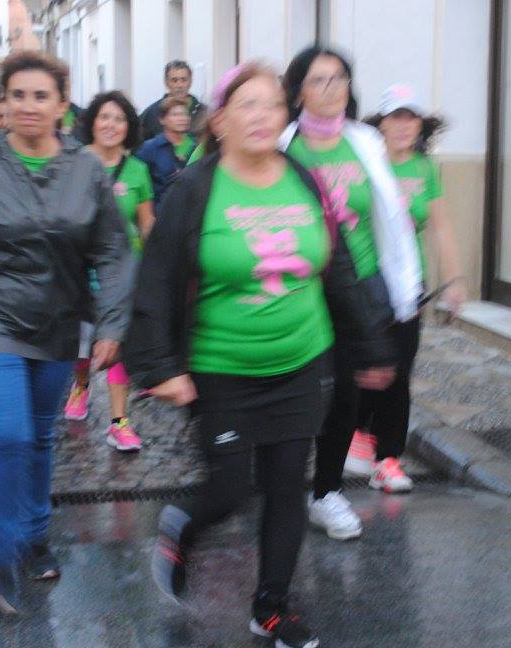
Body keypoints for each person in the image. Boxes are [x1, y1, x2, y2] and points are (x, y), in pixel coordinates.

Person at [126, 61, 395, 648]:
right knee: (229, 489)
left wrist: (371, 341)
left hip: (302, 360)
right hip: (222, 366)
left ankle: (271, 608)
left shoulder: (303, 179)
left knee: (285, 486)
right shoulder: (195, 189)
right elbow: (158, 277)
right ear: (220, 120)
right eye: (246, 104)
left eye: (272, 104)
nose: (262, 116)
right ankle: (182, 524)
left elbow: (337, 265)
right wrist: (160, 366)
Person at [0, 50, 133, 616]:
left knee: (38, 435)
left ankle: (35, 535)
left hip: (58, 320)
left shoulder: (87, 170)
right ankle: (4, 553)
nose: (29, 106)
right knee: (10, 433)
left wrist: (112, 322)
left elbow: (113, 251)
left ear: (62, 105)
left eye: (41, 96)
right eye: (18, 95)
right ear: (1, 104)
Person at [280, 46, 421, 540]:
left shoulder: (364, 141)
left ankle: (326, 491)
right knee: (297, 390)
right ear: (298, 91)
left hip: (360, 284)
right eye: (319, 80)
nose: (332, 88)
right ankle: (276, 483)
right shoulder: (283, 145)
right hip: (299, 290)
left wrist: (403, 286)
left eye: (339, 78)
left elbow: (390, 218)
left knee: (345, 393)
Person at [344, 84, 469, 491]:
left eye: (410, 118)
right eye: (395, 117)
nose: (403, 126)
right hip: (366, 280)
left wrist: (455, 279)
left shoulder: (424, 168)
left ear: (420, 124)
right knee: (364, 367)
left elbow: (441, 226)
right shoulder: (364, 163)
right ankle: (355, 432)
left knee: (399, 370)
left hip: (408, 283)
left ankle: (388, 458)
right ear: (380, 123)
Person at [63, 90, 154, 452]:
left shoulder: (138, 170)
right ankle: (81, 383)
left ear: (128, 127)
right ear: (92, 123)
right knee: (82, 342)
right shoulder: (73, 162)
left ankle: (119, 422)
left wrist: (156, 265)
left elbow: (146, 224)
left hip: (123, 273)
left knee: (118, 343)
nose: (111, 125)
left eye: (119, 119)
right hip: (80, 270)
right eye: (104, 117)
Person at [136, 96, 195, 208]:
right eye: (175, 115)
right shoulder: (150, 149)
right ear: (162, 119)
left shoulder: (196, 147)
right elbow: (139, 183)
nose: (182, 118)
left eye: (185, 114)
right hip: (159, 211)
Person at [137, 60, 206, 141]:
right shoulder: (152, 113)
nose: (179, 85)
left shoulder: (204, 112)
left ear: (190, 81)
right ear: (166, 82)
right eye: (174, 80)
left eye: (184, 80)